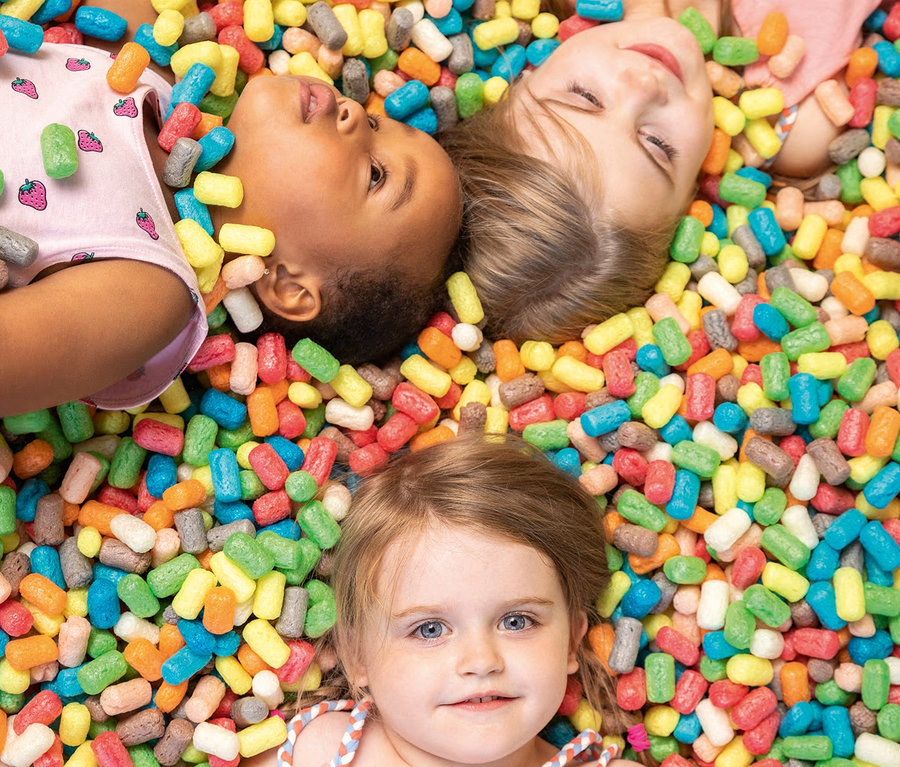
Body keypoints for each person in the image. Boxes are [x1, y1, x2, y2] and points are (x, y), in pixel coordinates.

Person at [0, 0, 462, 416]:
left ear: (288, 285)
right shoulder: (151, 68)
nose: (356, 113)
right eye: (379, 122)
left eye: (376, 174)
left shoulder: (150, 293)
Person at [440, 0, 879, 346]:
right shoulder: (799, 108)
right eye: (657, 145)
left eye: (586, 96)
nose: (646, 85)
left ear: (517, 84)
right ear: (693, 200)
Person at [242, 434, 645, 767]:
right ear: (356, 653)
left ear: (572, 640)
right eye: (429, 629)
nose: (482, 661)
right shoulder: (316, 751)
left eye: (518, 621)